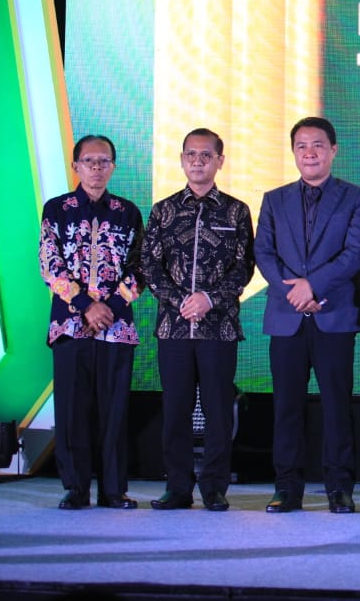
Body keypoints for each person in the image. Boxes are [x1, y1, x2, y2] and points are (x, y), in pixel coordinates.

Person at [255, 117, 360, 515]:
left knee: (337, 404)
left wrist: (314, 286)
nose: (310, 152)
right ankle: (287, 488)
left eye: (318, 145)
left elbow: (355, 254)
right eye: (302, 146)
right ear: (293, 152)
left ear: (333, 150)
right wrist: (294, 291)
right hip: (287, 316)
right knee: (287, 405)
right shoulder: (274, 198)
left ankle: (340, 487)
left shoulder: (356, 197)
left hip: (334, 313)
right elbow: (264, 253)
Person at [141, 128, 255, 511]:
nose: (198, 161)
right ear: (182, 159)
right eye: (191, 154)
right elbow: (150, 267)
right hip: (173, 328)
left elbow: (244, 267)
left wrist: (208, 299)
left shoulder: (236, 210)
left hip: (218, 328)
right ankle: (177, 487)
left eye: (206, 155)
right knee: (175, 409)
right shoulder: (164, 210)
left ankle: (214, 488)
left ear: (220, 160)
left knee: (218, 410)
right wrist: (180, 301)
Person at [40, 135, 144, 509]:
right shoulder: (57, 209)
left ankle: (114, 490)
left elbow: (139, 268)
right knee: (72, 410)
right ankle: (76, 487)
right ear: (76, 166)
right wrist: (86, 305)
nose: (96, 167)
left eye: (104, 161)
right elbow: (50, 266)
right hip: (70, 325)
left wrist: (110, 307)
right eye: (89, 161)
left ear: (113, 166)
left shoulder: (128, 212)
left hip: (116, 328)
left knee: (114, 411)